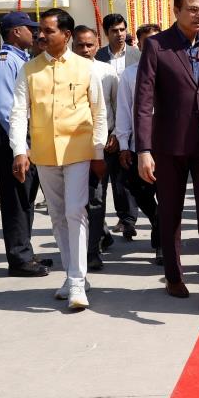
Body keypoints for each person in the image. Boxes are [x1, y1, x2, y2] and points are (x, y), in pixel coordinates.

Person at [136, 0, 199, 315]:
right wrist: (144, 150)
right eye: (193, 9)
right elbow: (143, 101)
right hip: (168, 145)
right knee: (170, 213)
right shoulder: (157, 46)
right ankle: (174, 275)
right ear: (176, 10)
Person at [11, 9, 107, 310]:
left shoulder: (86, 67)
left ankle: (77, 282)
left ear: (66, 35)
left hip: (79, 150)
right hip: (44, 152)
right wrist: (19, 150)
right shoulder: (30, 69)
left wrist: (99, 152)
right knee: (57, 215)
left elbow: (99, 112)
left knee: (75, 211)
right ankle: (73, 275)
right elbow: (18, 112)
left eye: (48, 30)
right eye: (40, 30)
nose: (41, 35)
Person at [0, 12, 50, 278]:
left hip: (25, 136)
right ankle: (19, 259)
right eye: (30, 29)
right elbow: (4, 108)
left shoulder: (22, 59)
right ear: (15, 32)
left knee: (26, 198)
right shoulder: (5, 62)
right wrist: (21, 146)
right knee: (15, 199)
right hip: (12, 137)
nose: (35, 34)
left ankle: (26, 251)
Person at [73, 25, 120, 271]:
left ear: (97, 45)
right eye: (80, 45)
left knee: (96, 197)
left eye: (89, 45)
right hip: (72, 144)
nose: (85, 49)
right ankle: (99, 234)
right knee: (75, 201)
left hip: (102, 143)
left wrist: (117, 135)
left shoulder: (107, 71)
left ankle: (92, 252)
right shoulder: (65, 71)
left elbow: (117, 106)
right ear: (72, 45)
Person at [92, 14, 141, 242]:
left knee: (126, 176)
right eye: (114, 30)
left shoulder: (137, 56)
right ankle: (108, 224)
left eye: (122, 29)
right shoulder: (98, 56)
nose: (119, 34)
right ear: (106, 33)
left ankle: (128, 219)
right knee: (110, 177)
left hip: (132, 121)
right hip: (108, 123)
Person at [116, 25, 162, 265]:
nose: (152, 45)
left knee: (167, 195)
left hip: (167, 145)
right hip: (139, 145)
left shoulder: (172, 69)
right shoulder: (130, 74)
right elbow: (124, 110)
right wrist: (124, 144)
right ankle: (157, 221)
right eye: (147, 41)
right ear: (140, 45)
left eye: (156, 40)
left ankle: (162, 243)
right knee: (139, 191)